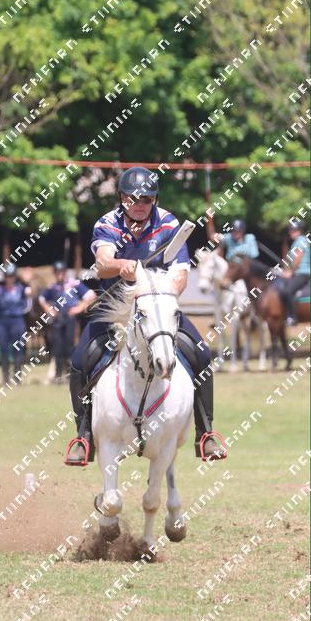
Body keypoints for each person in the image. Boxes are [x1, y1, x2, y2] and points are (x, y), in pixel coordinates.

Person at [65, 166, 227, 465]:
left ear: (155, 199)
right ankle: (84, 436)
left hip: (158, 306)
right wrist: (121, 265)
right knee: (79, 361)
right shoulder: (108, 223)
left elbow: (180, 275)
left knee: (202, 355)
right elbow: (103, 263)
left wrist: (159, 293)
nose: (139, 205)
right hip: (115, 307)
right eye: (133, 199)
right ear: (121, 197)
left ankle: (205, 434)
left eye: (146, 199)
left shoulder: (168, 223)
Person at [38, 261, 96, 383]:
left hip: (71, 319)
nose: (59, 274)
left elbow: (91, 295)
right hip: (57, 320)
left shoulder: (74, 284)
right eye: (57, 272)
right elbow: (41, 298)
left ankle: (71, 375)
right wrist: (49, 309)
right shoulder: (52, 287)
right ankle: (58, 376)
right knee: (57, 347)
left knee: (70, 347)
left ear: (65, 272)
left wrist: (79, 308)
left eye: (61, 272)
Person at [0, 263, 32, 383]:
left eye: (12, 276)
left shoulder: (21, 288)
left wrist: (28, 281)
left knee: (18, 350)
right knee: (3, 349)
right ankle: (5, 378)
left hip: (17, 320)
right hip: (2, 321)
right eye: (7, 276)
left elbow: (31, 293)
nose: (10, 278)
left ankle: (17, 378)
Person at [281, 222, 311, 326]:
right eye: (290, 230)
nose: (291, 232)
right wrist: (286, 270)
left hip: (303, 273)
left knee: (287, 291)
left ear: (300, 231)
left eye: (294, 230)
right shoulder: (297, 241)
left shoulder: (301, 240)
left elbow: (298, 259)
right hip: (298, 272)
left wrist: (291, 272)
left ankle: (292, 317)